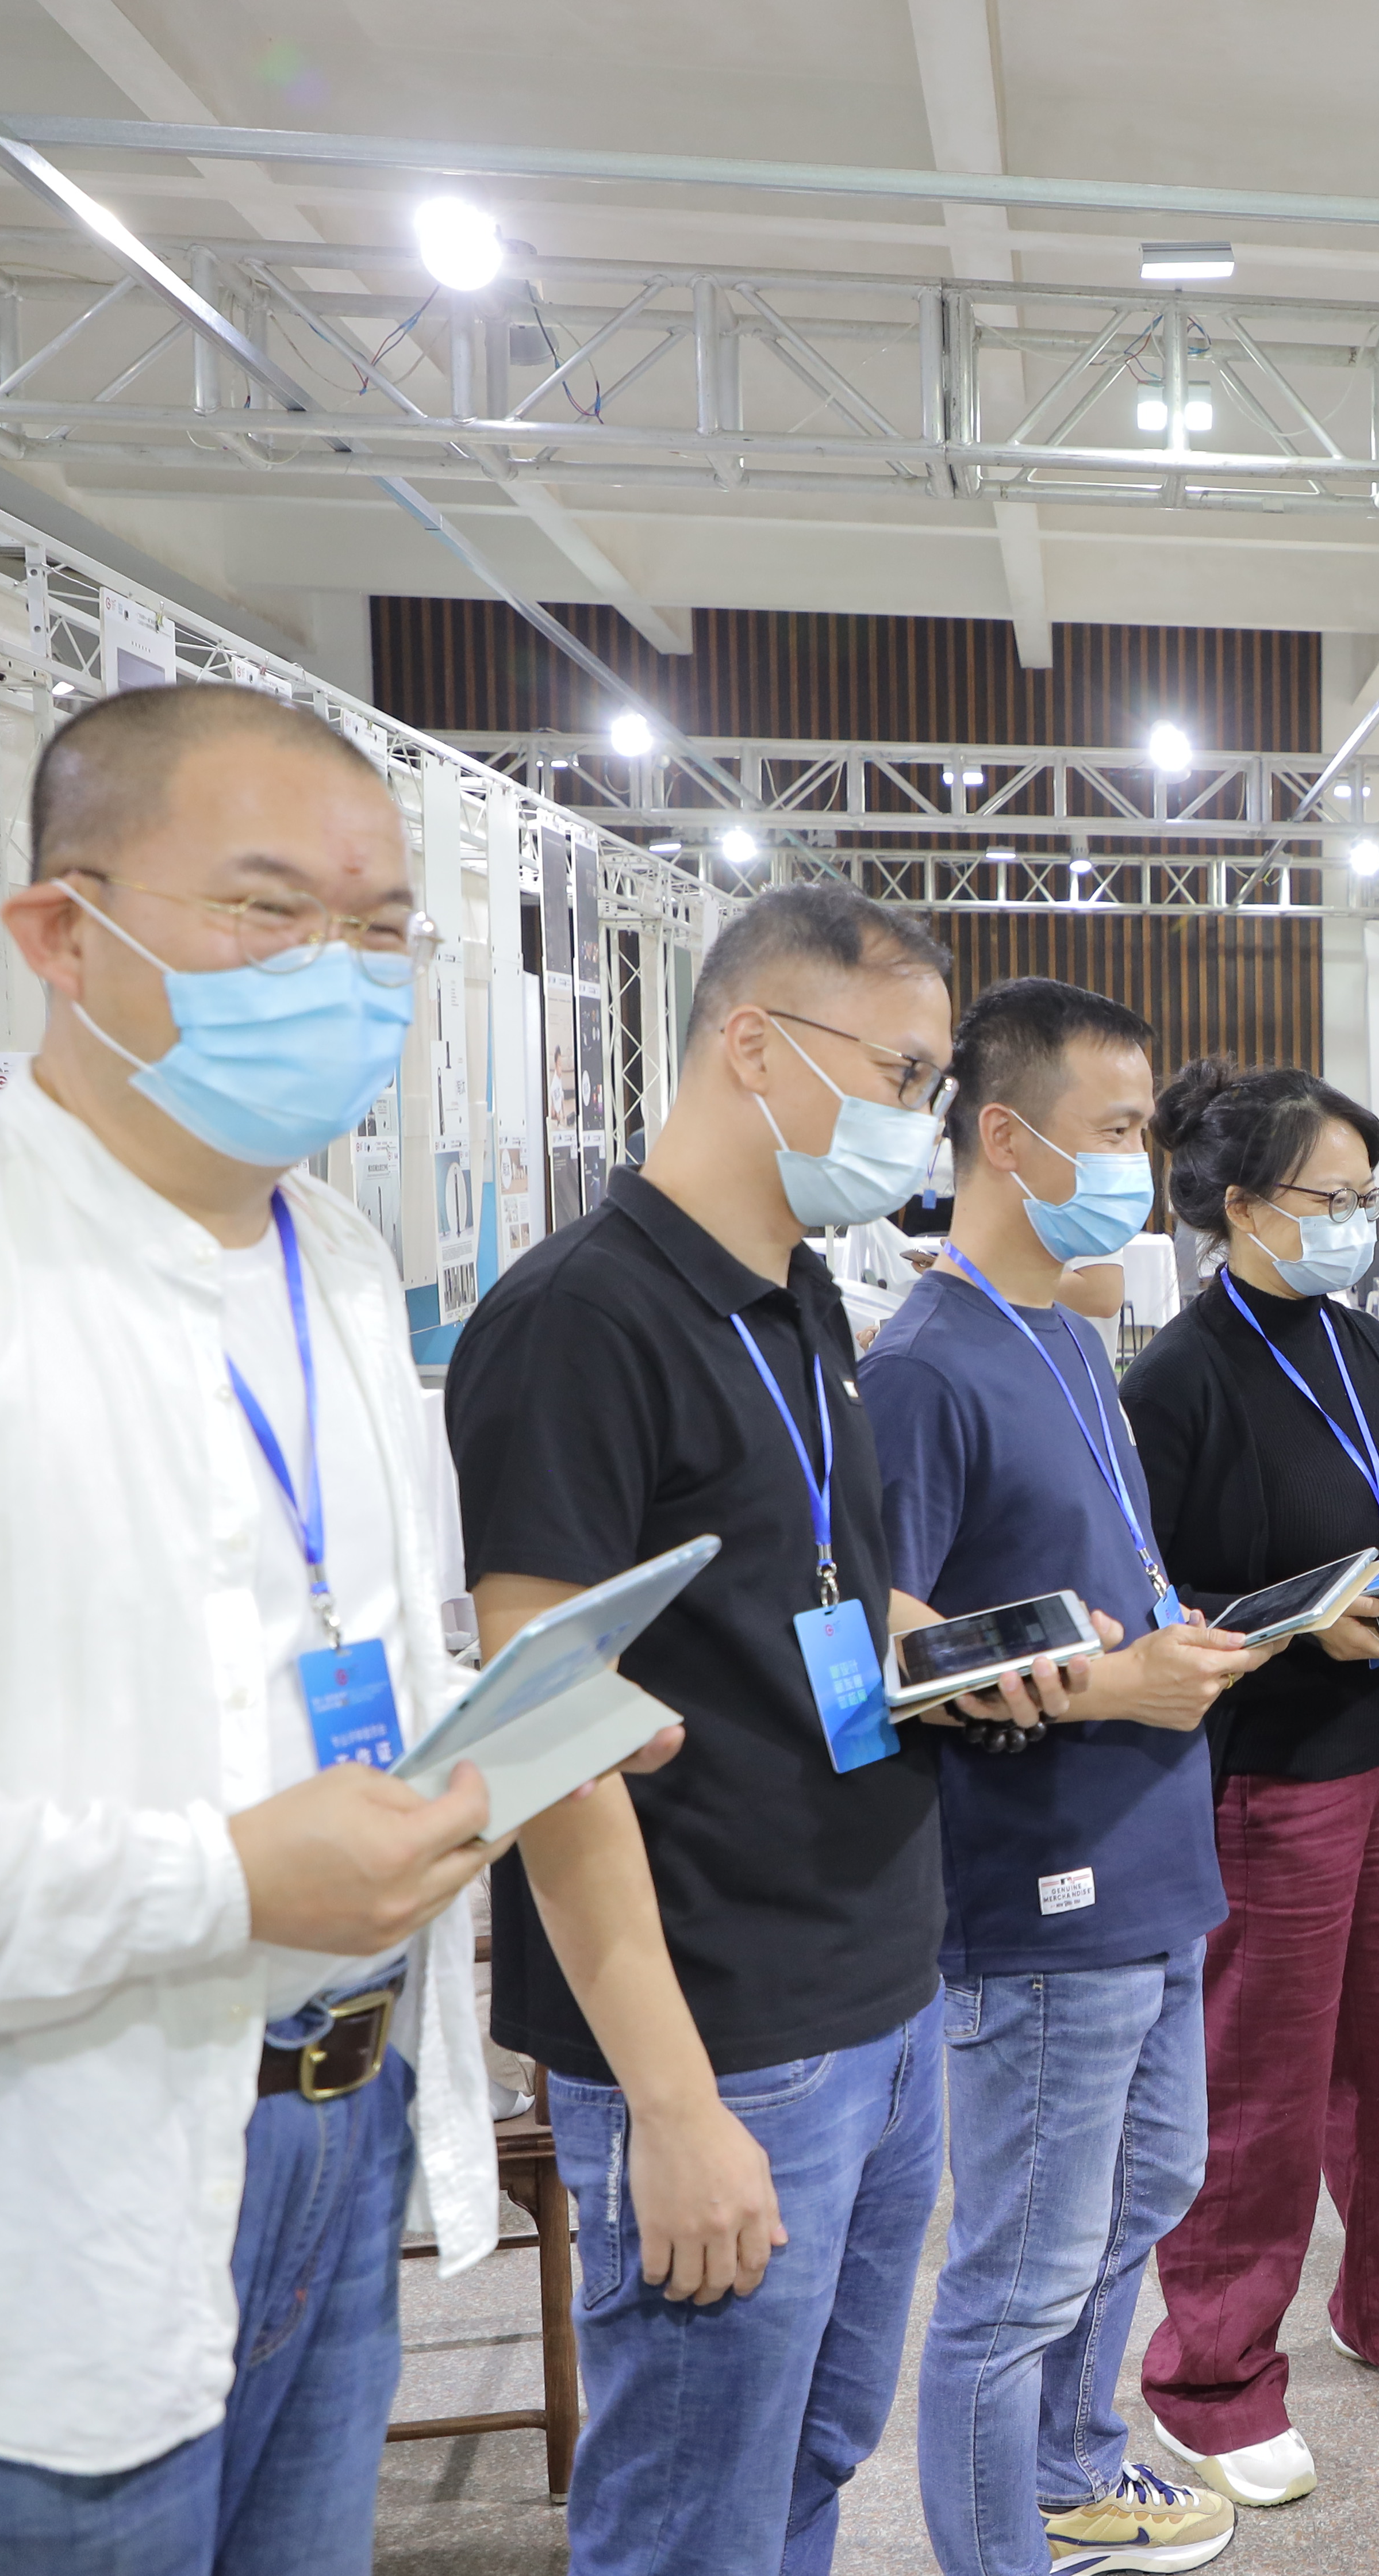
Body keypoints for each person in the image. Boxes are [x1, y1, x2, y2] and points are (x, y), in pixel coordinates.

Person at [0, 684, 550, 2571]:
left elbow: (280, 1660)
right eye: (267, 911)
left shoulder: (336, 1265)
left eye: (382, 931)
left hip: (323, 2142)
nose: (339, 975)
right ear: (64, 934)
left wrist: (504, 1736)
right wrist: (213, 1881)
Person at [447, 880, 992, 2575]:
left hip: (877, 1983)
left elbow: (804, 1584)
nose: (921, 1118)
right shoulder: (577, 1322)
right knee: (694, 2509)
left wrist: (950, 1646)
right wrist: (673, 2107)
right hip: (719, 2025)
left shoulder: (804, 1295)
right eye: (902, 1075)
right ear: (754, 1044)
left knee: (808, 2458)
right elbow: (546, 1737)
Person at [863, 979, 1270, 2576]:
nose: (1138, 1167)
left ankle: (1072, 2466)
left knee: (1144, 2190)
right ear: (1005, 1138)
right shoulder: (924, 1363)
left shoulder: (1065, 1333)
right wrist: (1113, 1682)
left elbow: (1091, 1575)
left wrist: (1186, 1642)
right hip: (1040, 1873)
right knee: (1021, 2263)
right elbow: (887, 1648)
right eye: (1114, 1131)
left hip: (1149, 1842)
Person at [1121, 1061, 1379, 2509]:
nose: (1359, 1222)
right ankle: (1212, 2374)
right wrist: (1303, 1624)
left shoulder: (1357, 1341)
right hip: (1267, 1771)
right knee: (1262, 2089)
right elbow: (1146, 1599)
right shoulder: (1175, 1378)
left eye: (1369, 1196)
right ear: (1241, 1206)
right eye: (1332, 1198)